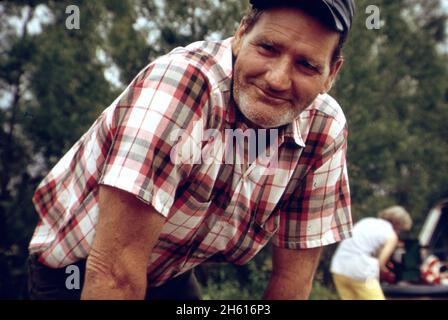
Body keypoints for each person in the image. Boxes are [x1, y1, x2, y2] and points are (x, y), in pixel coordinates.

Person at [28, 0, 355, 300]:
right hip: (80, 271)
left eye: (307, 66)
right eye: (268, 47)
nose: (278, 80)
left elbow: (292, 285)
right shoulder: (183, 84)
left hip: (170, 274)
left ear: (331, 74)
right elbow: (114, 275)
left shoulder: (324, 129)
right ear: (240, 35)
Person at [330, 206, 413, 300]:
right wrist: (389, 275)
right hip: (360, 272)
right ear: (398, 225)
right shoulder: (391, 235)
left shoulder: (367, 221)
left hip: (339, 268)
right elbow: (381, 264)